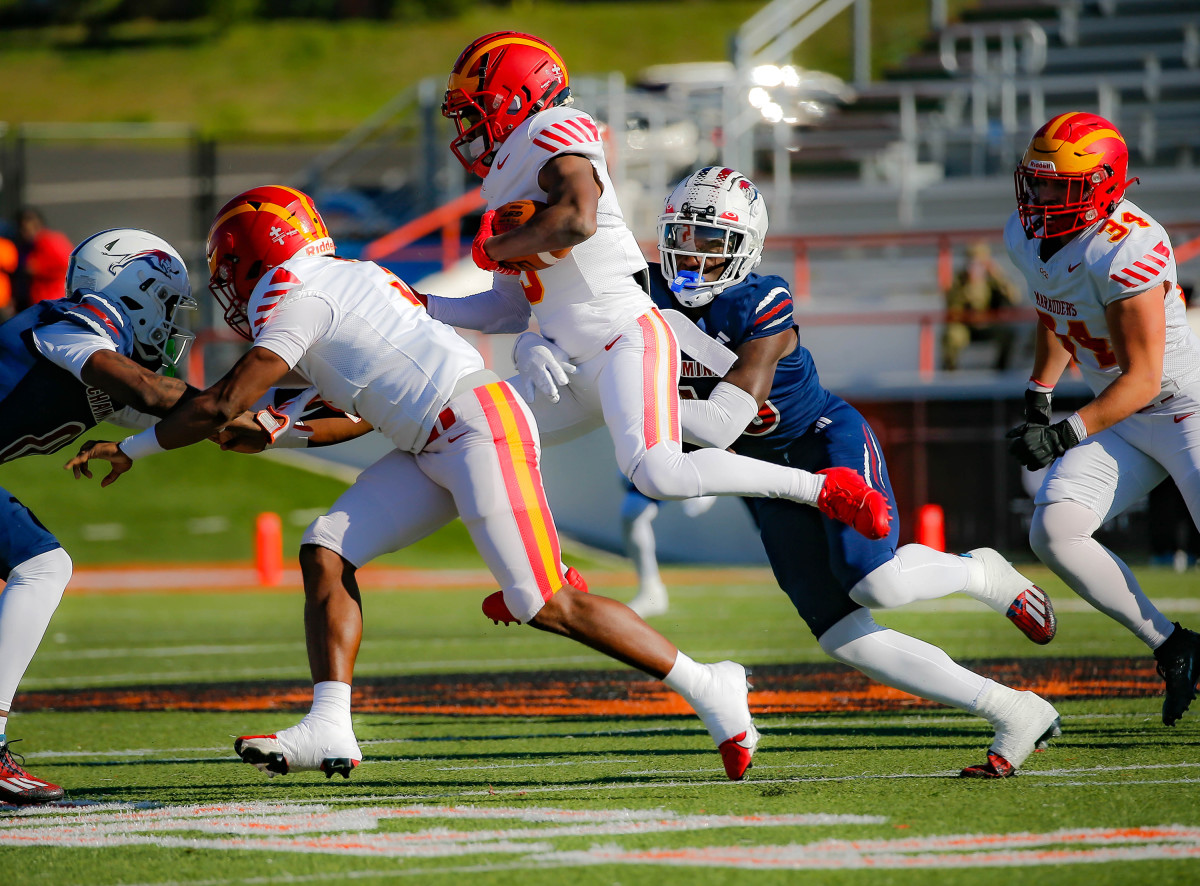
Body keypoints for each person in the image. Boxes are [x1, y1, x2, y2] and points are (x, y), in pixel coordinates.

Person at [67, 185, 766, 783]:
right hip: (436, 438)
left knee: (543, 600)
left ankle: (712, 686)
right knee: (326, 547)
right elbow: (356, 410)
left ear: (257, 256)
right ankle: (330, 724)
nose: (231, 288)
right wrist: (283, 430)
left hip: (477, 427)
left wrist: (137, 446)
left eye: (232, 270)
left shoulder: (302, 298)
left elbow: (221, 403)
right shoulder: (345, 282)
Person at [640, 165, 1064, 778]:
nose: (694, 254)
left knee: (877, 583)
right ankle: (1011, 708)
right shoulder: (640, 290)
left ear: (746, 251)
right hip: (767, 480)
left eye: (713, 242)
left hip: (822, 444)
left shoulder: (761, 300)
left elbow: (721, 424)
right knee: (844, 636)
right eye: (685, 234)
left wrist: (624, 399)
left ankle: (982, 574)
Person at [424, 31, 891, 554]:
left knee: (656, 473)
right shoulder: (507, 195)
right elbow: (506, 311)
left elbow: (576, 219)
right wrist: (423, 306)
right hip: (577, 362)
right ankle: (538, 576)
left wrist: (497, 247)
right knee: (475, 431)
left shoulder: (554, 129)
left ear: (516, 98)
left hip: (625, 338)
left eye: (477, 109)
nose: (468, 127)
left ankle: (824, 488)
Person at [1005, 111, 1200, 727]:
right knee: (1055, 530)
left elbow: (1142, 379)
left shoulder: (1130, 246)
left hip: (1183, 408)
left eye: (1058, 186)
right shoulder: (1028, 235)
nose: (1041, 198)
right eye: (1036, 183)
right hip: (1124, 415)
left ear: (1100, 186)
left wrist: (1065, 430)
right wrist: (1040, 389)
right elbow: (1057, 311)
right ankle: (1174, 646)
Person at [0, 228, 197, 804]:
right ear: (133, 287)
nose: (170, 322)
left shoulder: (104, 369)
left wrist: (291, 423)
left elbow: (200, 420)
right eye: (165, 303)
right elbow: (158, 396)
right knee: (42, 566)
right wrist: (231, 405)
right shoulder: (69, 327)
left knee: (40, 567)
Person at [621, 478, 716, 617]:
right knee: (633, 510)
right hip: (665, 462)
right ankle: (650, 591)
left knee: (757, 497)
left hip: (715, 465)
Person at [941, 241, 1023, 371]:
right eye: (972, 261)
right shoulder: (960, 279)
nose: (975, 266)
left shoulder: (993, 279)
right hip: (966, 327)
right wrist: (969, 287)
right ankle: (949, 372)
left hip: (989, 325)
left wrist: (998, 276)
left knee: (1008, 333)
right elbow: (952, 306)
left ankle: (1001, 370)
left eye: (980, 262)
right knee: (952, 336)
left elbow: (1014, 298)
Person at [12, 208, 72, 311]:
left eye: (25, 229)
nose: (23, 233)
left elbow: (68, 265)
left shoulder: (51, 240)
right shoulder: (28, 246)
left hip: (55, 302)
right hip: (39, 303)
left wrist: (38, 267)